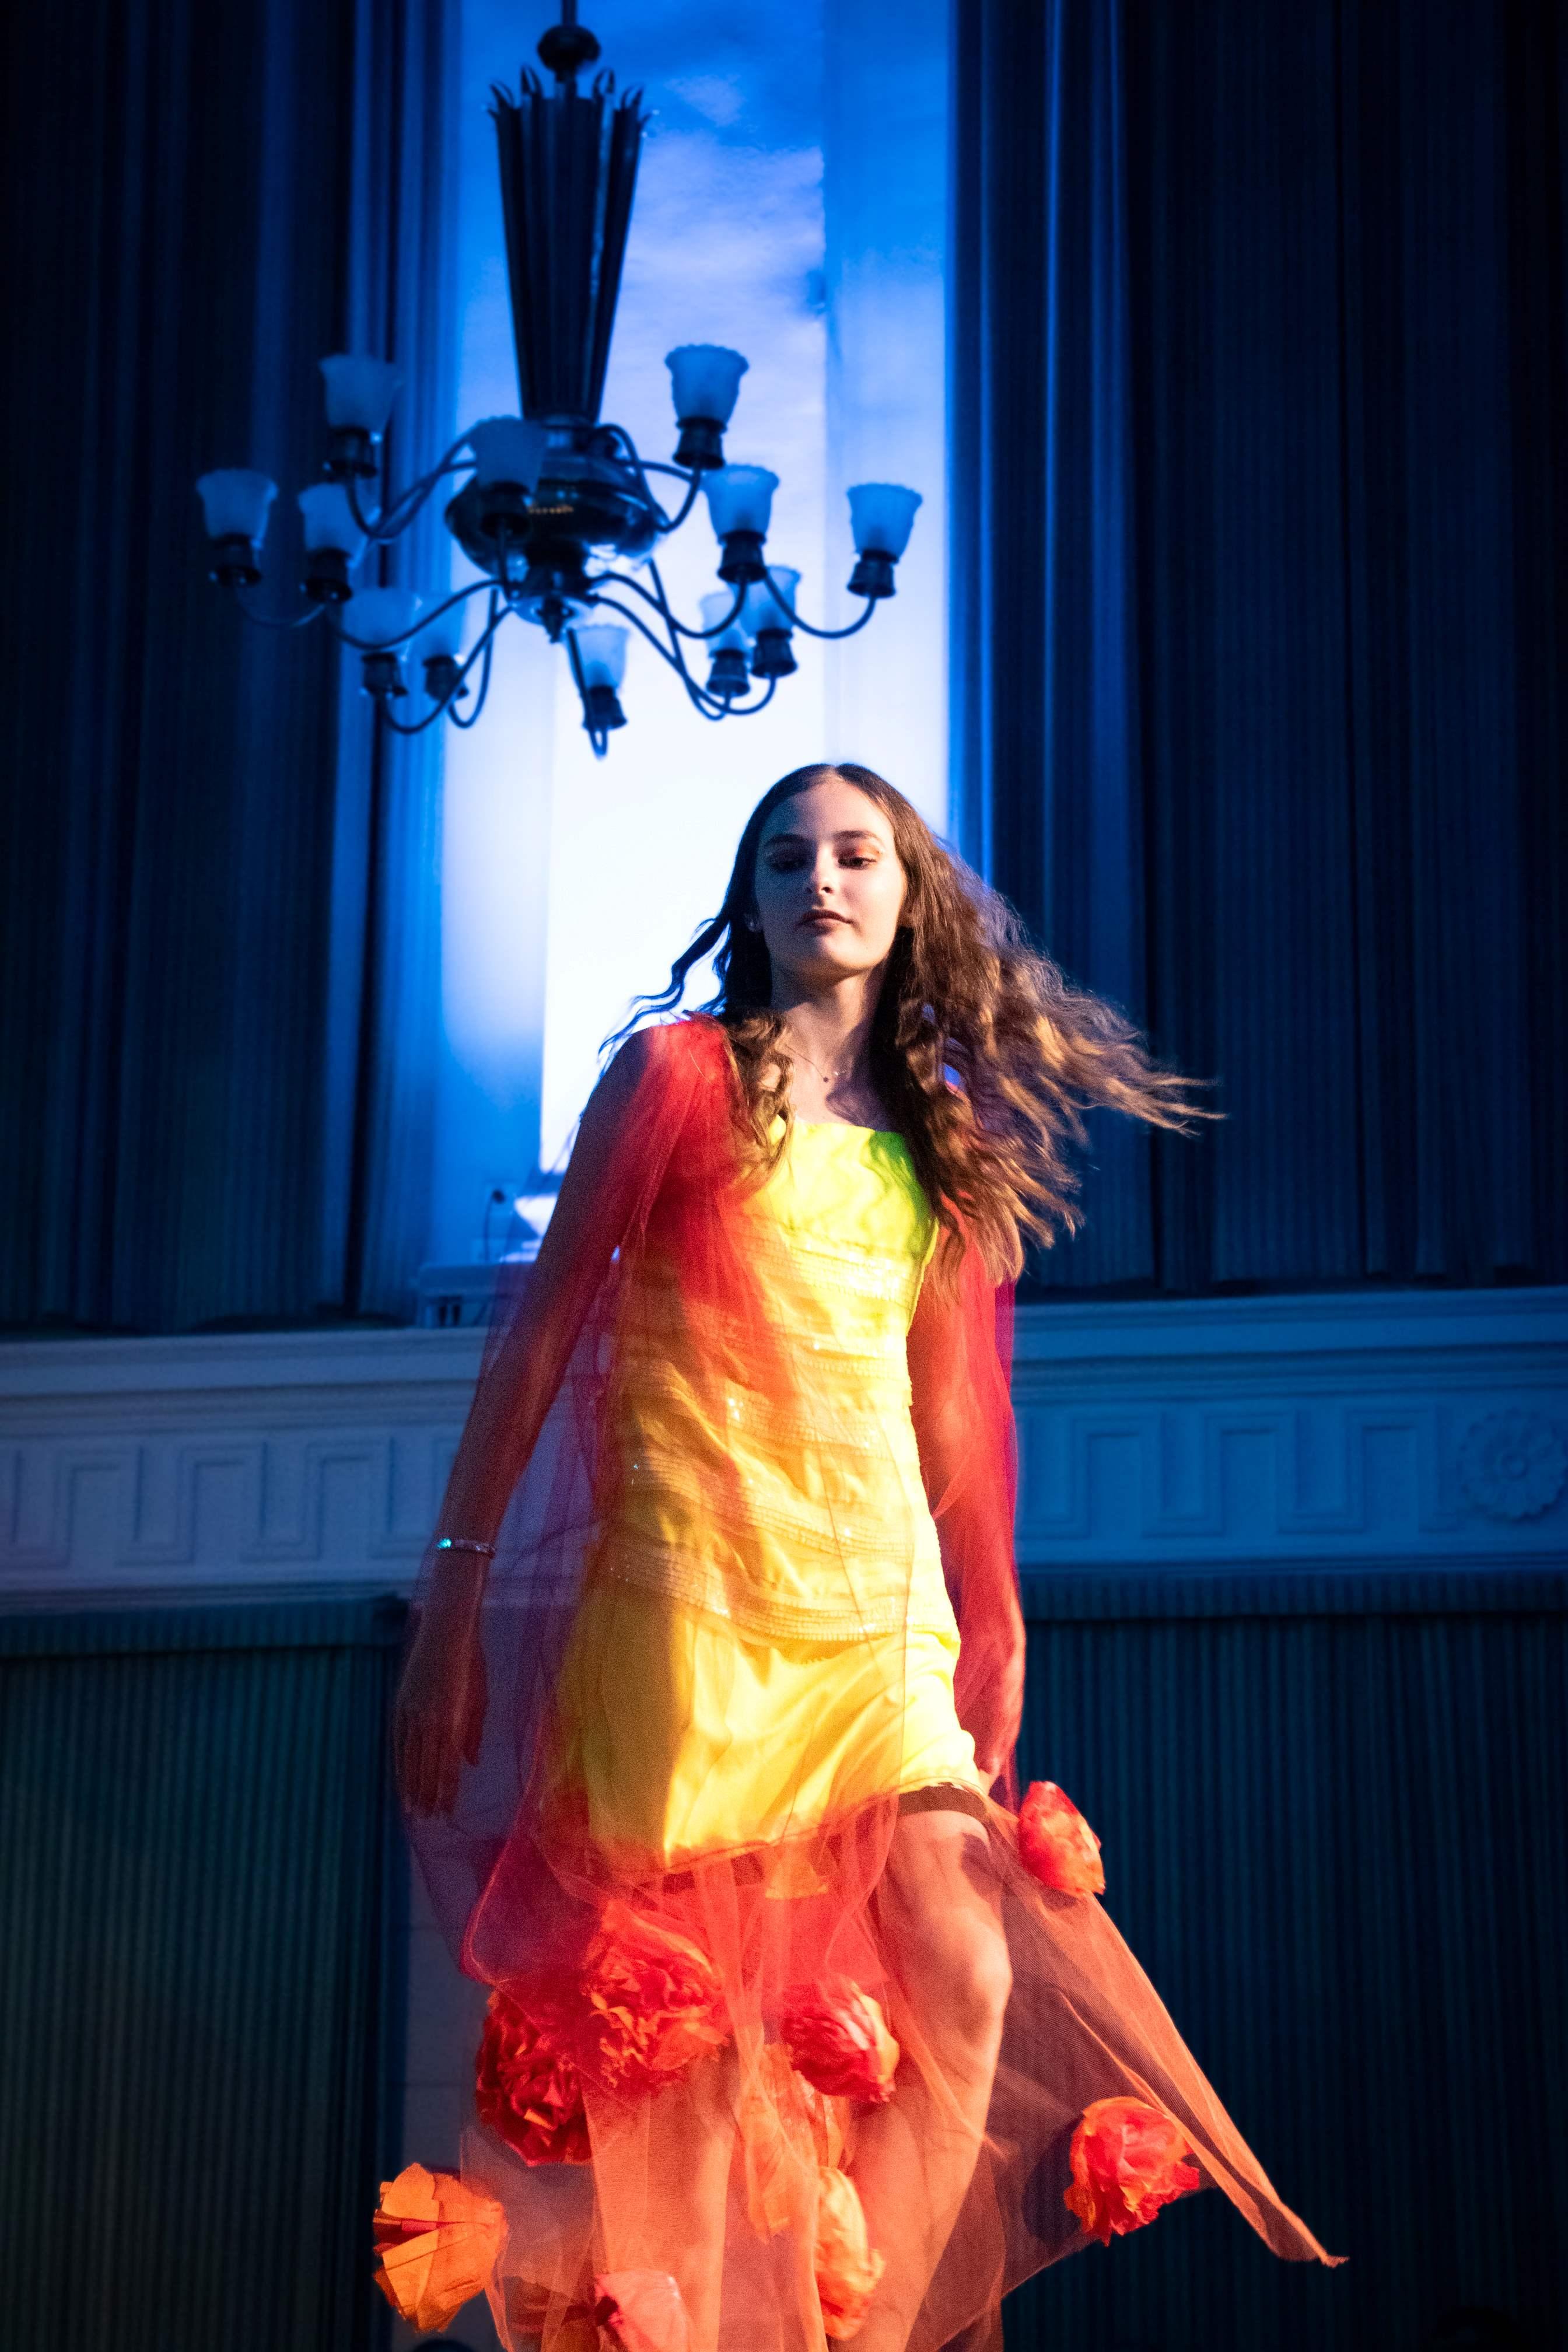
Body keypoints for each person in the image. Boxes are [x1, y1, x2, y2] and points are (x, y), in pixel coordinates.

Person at [380, 764, 1341, 2352]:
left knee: (966, 1963)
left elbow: (950, 1408)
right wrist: (456, 1598)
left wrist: (996, 1606)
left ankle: (871, 2332)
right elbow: (542, 1335)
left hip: (877, 1614)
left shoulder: (937, 1139)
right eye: (787, 858)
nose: (821, 880)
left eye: (855, 854)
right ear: (751, 901)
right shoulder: (677, 1078)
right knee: (687, 2058)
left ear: (907, 896)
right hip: (693, 1601)